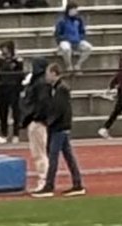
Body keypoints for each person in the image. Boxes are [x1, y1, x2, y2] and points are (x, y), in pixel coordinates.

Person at [33, 61, 85, 197]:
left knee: (54, 156)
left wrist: (48, 122)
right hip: (61, 126)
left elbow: (59, 109)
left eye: (48, 74)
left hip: (59, 127)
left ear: (54, 74)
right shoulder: (58, 88)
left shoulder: (61, 89)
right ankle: (77, 184)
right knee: (68, 156)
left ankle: (49, 185)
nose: (46, 77)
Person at [19, 56, 50, 179]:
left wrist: (36, 117)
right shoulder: (37, 82)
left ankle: (43, 178)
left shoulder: (40, 83)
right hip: (34, 119)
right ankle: (43, 177)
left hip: (37, 120)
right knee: (38, 151)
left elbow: (42, 103)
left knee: (39, 152)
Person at [0, 41, 24, 143]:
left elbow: (20, 75)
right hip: (2, 88)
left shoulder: (18, 61)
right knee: (3, 112)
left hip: (13, 88)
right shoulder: (0, 61)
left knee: (16, 112)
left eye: (5, 48)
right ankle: (4, 133)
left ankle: (16, 134)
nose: (3, 50)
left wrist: (20, 89)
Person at [54, 4, 93, 71]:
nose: (75, 11)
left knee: (89, 48)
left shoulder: (79, 20)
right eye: (73, 9)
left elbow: (82, 31)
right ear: (69, 10)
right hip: (65, 41)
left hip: (77, 41)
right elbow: (57, 33)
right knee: (66, 48)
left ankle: (78, 65)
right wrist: (64, 39)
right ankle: (69, 66)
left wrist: (80, 38)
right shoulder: (62, 20)